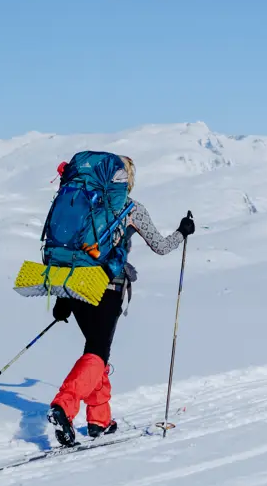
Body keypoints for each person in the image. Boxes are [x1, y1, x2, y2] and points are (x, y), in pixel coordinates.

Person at [46, 156, 195, 446]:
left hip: (72, 283)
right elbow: (161, 247)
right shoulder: (131, 208)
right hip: (107, 287)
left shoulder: (80, 200)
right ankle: (64, 406)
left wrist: (63, 297)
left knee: (96, 350)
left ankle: (99, 419)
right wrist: (182, 231)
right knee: (98, 353)